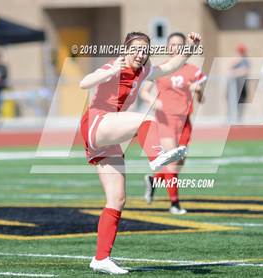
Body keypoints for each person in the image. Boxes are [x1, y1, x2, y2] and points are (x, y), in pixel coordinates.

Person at [80, 31, 201, 274]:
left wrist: (190, 46)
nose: (140, 54)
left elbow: (171, 65)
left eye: (145, 50)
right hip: (97, 123)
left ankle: (101, 258)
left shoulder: (144, 70)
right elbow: (84, 82)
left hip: (110, 134)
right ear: (125, 49)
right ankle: (157, 157)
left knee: (117, 198)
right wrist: (110, 71)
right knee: (145, 119)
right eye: (135, 49)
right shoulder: (116, 64)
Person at [140, 32, 207, 215]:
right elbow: (144, 92)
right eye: (173, 44)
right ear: (168, 47)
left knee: (178, 162)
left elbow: (202, 99)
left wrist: (198, 90)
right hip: (165, 120)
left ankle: (154, 181)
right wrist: (156, 102)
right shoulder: (161, 69)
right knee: (173, 161)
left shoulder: (193, 71)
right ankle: (174, 204)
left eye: (179, 44)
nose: (176, 47)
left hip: (184, 121)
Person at [227, 44, 250, 123]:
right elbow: (229, 69)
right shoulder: (236, 60)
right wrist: (236, 61)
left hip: (241, 84)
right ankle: (230, 117)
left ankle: (239, 118)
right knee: (231, 100)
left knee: (241, 101)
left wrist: (235, 73)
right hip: (234, 84)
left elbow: (245, 71)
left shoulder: (245, 60)